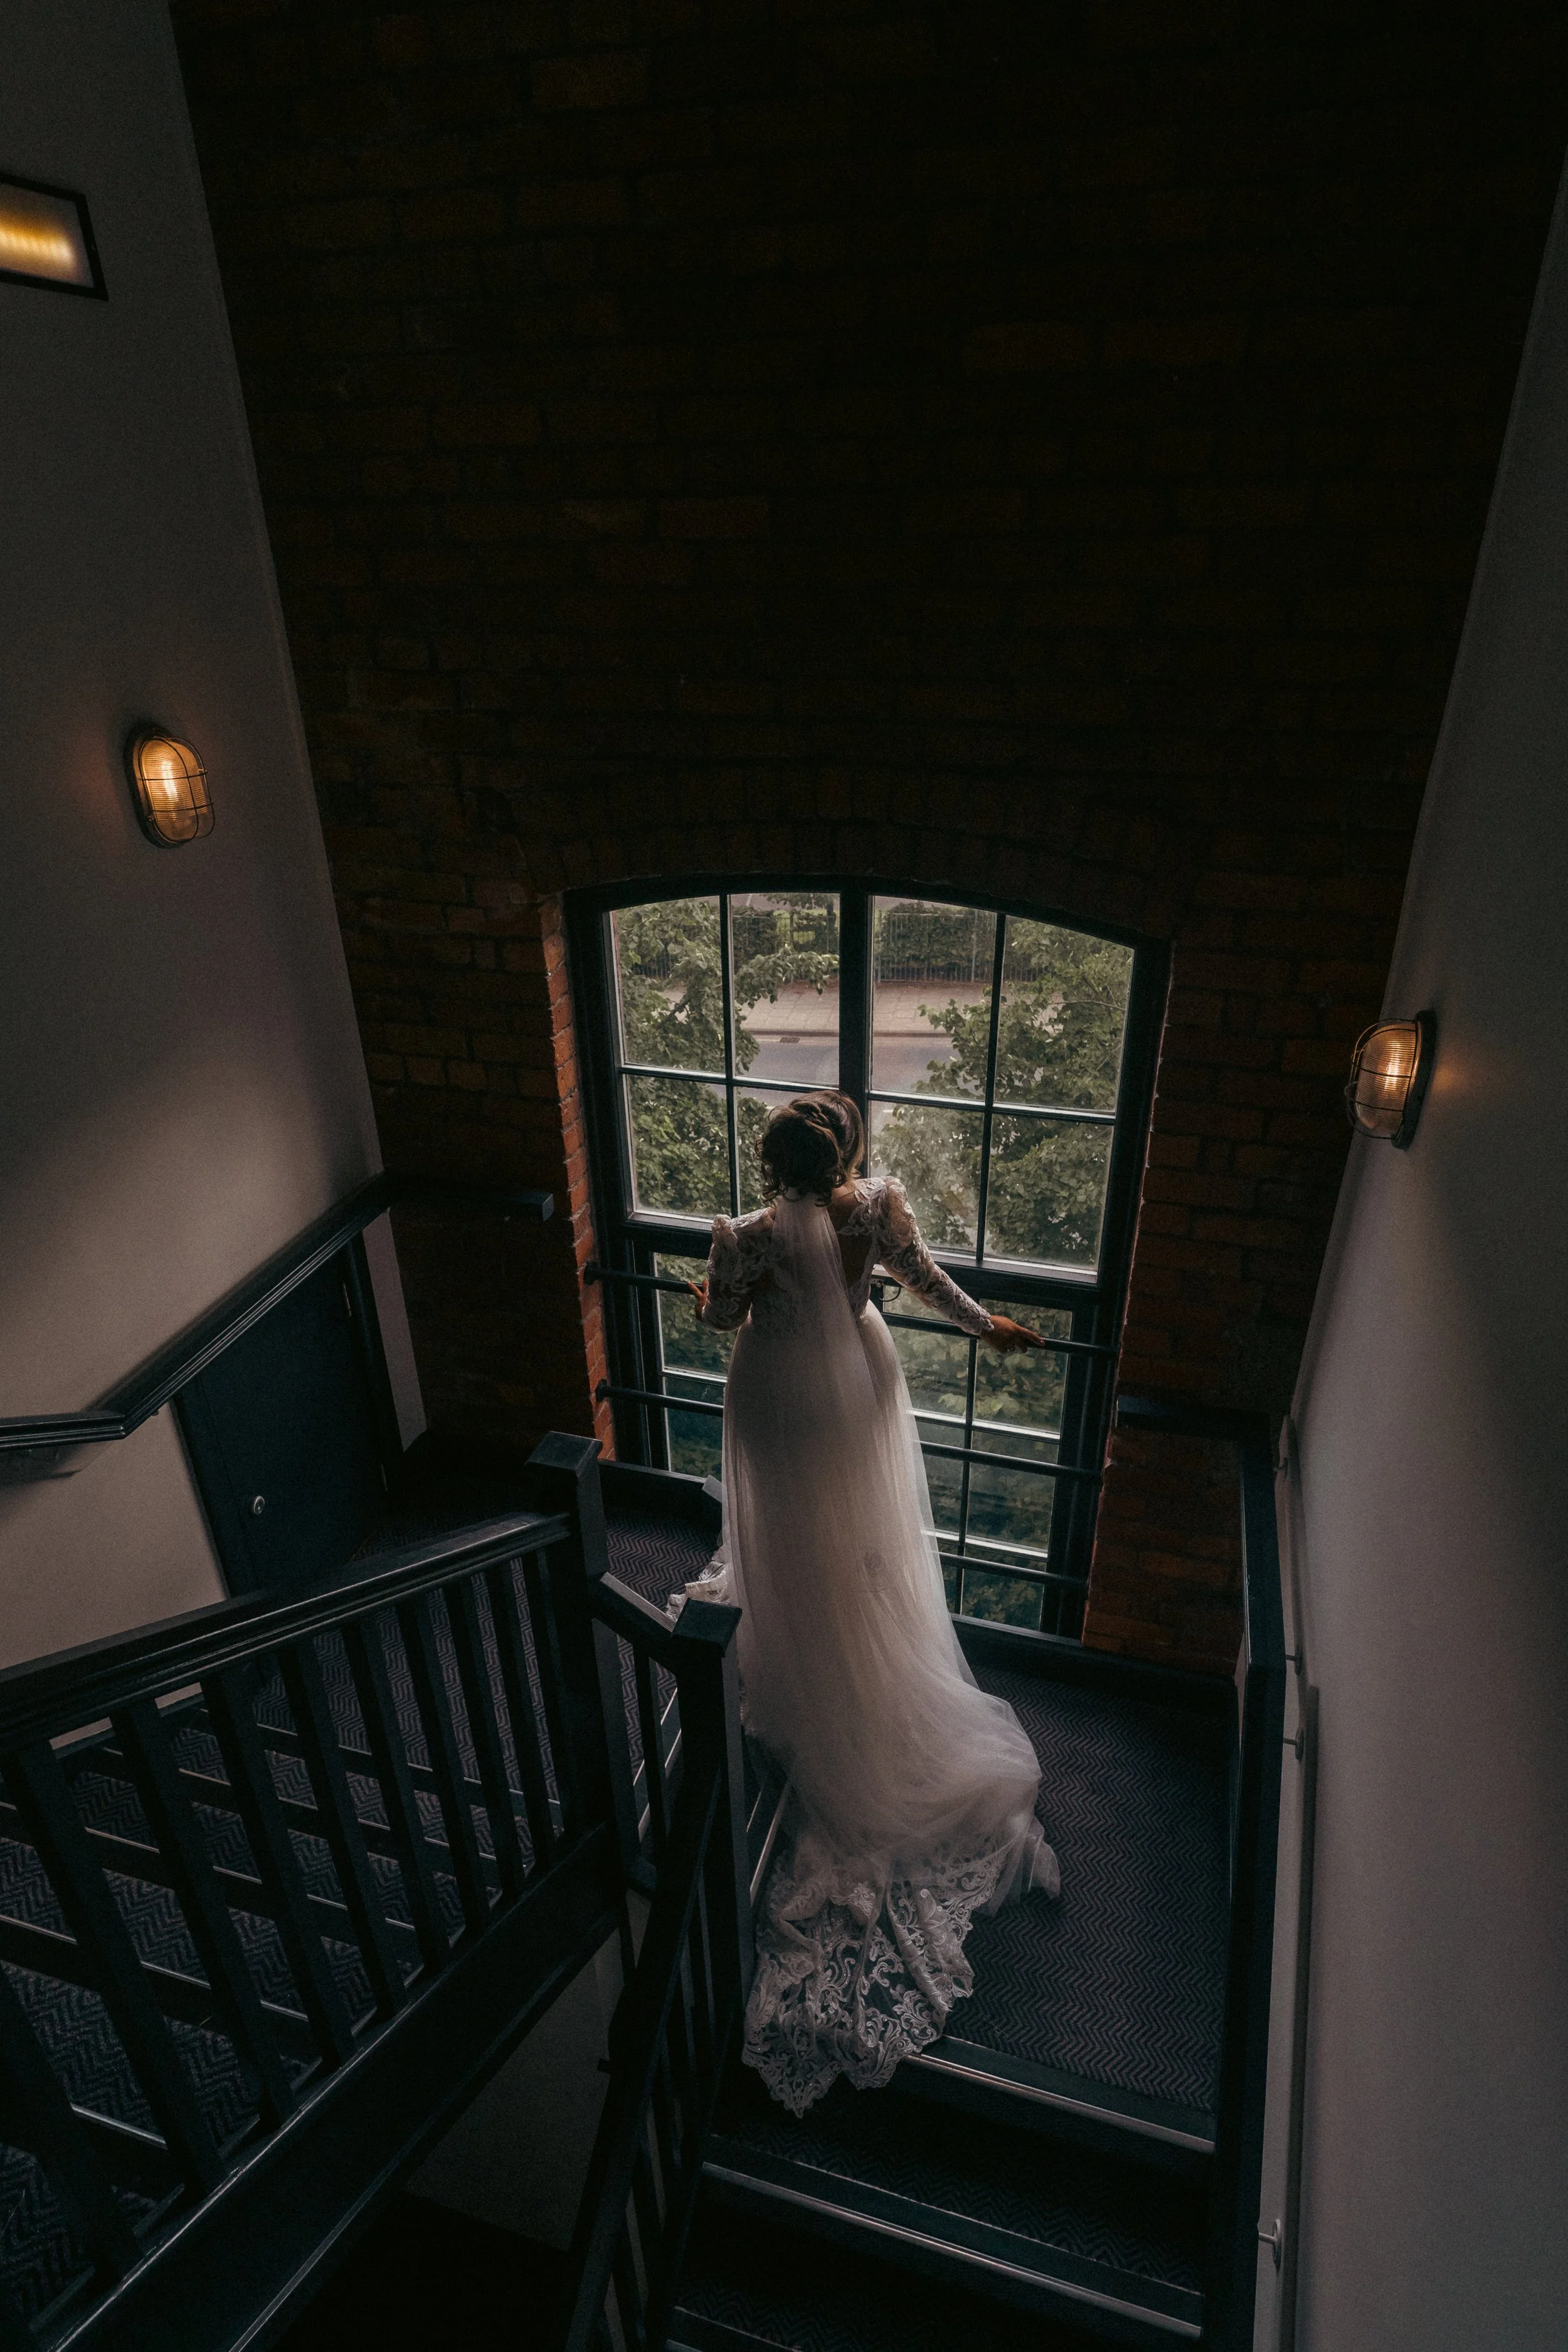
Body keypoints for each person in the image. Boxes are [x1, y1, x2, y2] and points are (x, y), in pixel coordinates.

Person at [683, 1091, 1060, 2117]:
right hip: (855, 1390)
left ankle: (798, 1650)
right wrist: (995, 1328)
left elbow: (720, 1316)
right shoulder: (879, 1211)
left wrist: (696, 1289)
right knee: (859, 1546)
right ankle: (858, 1651)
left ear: (771, 1166)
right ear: (845, 1153)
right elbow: (929, 1284)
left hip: (776, 1398)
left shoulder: (746, 1236)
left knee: (791, 1542)